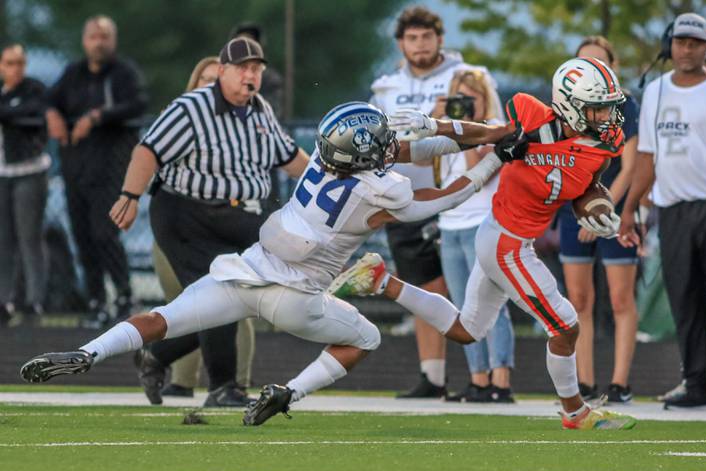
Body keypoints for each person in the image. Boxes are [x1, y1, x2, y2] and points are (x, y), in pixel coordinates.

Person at [19, 101, 523, 425]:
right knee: (364, 338)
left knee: (162, 318)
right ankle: (288, 393)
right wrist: (495, 156)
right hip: (298, 298)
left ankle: (87, 352)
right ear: (367, 156)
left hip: (244, 273)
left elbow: (402, 147)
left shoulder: (327, 161)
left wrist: (482, 135)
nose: (392, 145)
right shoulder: (379, 190)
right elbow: (445, 196)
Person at [333, 58, 637, 430]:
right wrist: (434, 124)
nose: (608, 114)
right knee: (565, 326)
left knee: (468, 330)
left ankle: (382, 280)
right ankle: (575, 412)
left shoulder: (603, 144)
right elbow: (484, 133)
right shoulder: (534, 122)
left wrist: (599, 207)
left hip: (502, 239)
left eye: (609, 105)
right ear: (571, 105)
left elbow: (588, 183)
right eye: (599, 106)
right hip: (506, 242)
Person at [109, 36, 308, 407]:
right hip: (187, 214)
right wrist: (129, 197)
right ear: (222, 71)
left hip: (241, 215)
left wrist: (331, 180)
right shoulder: (192, 107)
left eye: (257, 69)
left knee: (247, 297)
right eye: (243, 68)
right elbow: (147, 151)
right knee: (219, 292)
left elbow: (289, 155)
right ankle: (223, 387)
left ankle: (157, 356)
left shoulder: (260, 110)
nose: (250, 76)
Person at [618, 13, 706, 411]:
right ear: (670, 45)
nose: (686, 49)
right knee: (684, 299)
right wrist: (629, 209)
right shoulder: (658, 91)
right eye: (680, 42)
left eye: (695, 43)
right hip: (673, 208)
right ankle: (696, 385)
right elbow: (646, 157)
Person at [369, 6, 502, 398]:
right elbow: (378, 140)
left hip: (459, 198)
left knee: (466, 290)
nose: (420, 44)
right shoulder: (385, 86)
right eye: (412, 37)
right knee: (422, 288)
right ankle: (434, 375)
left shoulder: (467, 75)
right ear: (401, 43)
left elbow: (489, 120)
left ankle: (485, 377)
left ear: (440, 39)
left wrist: (442, 117)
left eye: (427, 36)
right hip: (405, 196)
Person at [153, 56, 256, 398]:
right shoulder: (179, 123)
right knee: (194, 304)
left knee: (231, 303)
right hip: (181, 227)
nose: (212, 88)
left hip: (226, 227)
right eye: (205, 80)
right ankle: (180, 376)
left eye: (219, 80)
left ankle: (232, 383)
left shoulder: (247, 128)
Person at [46, 15, 147, 328]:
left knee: (106, 234)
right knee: (84, 236)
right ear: (84, 40)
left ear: (112, 41)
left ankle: (124, 297)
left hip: (111, 167)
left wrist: (97, 116)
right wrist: (52, 114)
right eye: (93, 36)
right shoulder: (73, 73)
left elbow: (138, 103)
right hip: (76, 169)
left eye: (104, 36)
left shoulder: (123, 73)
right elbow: (50, 99)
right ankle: (96, 302)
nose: (98, 42)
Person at [557, 36, 640, 404]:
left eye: (598, 62)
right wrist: (581, 211)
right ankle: (585, 381)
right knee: (578, 299)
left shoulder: (626, 106)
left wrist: (604, 211)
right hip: (574, 209)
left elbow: (632, 164)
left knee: (621, 297)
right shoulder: (561, 107)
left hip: (615, 209)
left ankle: (620, 382)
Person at [431, 69, 515, 403]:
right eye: (459, 99)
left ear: (484, 99)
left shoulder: (493, 128)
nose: (465, 106)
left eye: (471, 99)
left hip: (482, 223)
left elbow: (477, 169)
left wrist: (464, 127)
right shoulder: (446, 130)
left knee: (492, 304)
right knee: (463, 308)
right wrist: (437, 120)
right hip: (449, 225)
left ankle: (501, 379)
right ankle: (477, 379)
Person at [0, 43, 51, 325]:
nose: (15, 68)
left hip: (29, 171)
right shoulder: (4, 95)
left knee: (29, 236)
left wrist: (9, 114)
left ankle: (35, 301)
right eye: (9, 63)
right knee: (3, 240)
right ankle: (4, 300)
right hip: (3, 172)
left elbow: (33, 118)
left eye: (19, 62)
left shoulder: (35, 90)